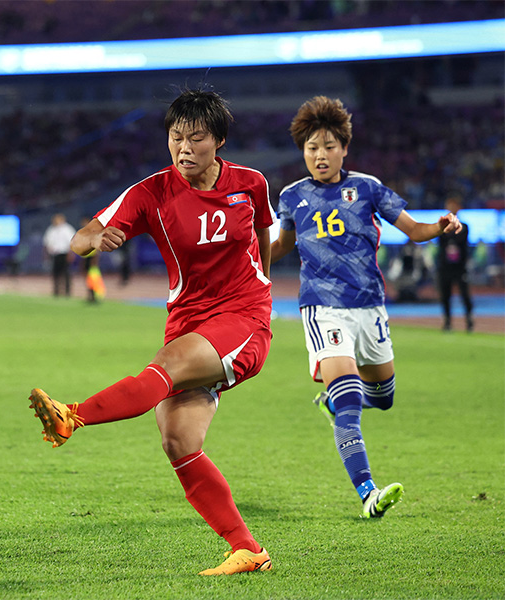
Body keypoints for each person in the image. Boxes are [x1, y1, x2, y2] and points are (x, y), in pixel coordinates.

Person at [29, 88, 274, 576]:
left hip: (242, 317)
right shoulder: (151, 192)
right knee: (178, 440)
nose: (184, 148)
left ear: (218, 141)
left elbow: (263, 234)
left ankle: (71, 416)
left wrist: (260, 287)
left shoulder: (251, 183)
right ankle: (247, 550)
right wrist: (94, 241)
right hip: (187, 321)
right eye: (176, 137)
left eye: (196, 138)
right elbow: (82, 237)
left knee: (164, 369)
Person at [271, 95, 462, 519]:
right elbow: (281, 245)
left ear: (344, 147)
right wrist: (238, 265)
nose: (320, 156)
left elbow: (413, 229)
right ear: (303, 151)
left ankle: (331, 402)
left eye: (328, 147)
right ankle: (368, 493)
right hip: (323, 309)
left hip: (370, 308)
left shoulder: (369, 187)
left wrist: (442, 226)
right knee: (353, 398)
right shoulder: (290, 196)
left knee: (384, 396)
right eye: (312, 148)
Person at [437, 195, 473, 331]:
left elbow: (461, 241)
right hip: (445, 267)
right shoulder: (441, 227)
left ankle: (469, 319)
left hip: (459, 267)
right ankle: (447, 321)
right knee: (445, 295)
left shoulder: (464, 227)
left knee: (465, 294)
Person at [42, 213, 76, 297]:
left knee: (66, 273)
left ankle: (67, 291)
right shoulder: (51, 229)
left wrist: (71, 254)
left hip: (64, 253)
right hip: (55, 254)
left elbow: (72, 242)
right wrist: (46, 254)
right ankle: (56, 290)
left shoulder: (67, 229)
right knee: (55, 273)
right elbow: (46, 243)